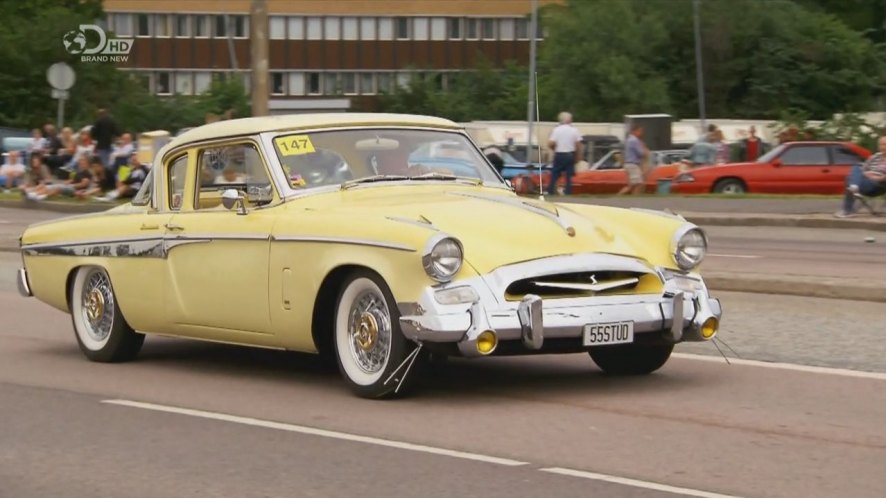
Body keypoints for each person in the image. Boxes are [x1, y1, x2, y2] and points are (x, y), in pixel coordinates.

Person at [835, 135, 886, 217]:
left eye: (885, 144)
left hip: (879, 185)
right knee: (856, 167)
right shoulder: (875, 156)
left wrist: (878, 178)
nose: (883, 147)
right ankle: (854, 187)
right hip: (866, 181)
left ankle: (847, 209)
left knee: (849, 179)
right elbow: (863, 169)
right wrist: (867, 174)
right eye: (881, 144)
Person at [546, 111, 582, 195]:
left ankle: (550, 190)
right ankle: (568, 191)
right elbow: (578, 144)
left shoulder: (556, 130)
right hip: (570, 154)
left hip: (559, 154)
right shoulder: (574, 130)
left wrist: (554, 149)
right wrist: (578, 156)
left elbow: (550, 143)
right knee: (568, 175)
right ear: (569, 120)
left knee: (555, 173)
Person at [618, 125, 647, 195]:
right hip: (633, 165)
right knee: (638, 184)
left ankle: (630, 197)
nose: (641, 133)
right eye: (640, 131)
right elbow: (640, 153)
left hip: (629, 164)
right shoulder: (635, 140)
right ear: (635, 131)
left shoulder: (628, 140)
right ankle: (633, 198)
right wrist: (643, 148)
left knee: (632, 185)